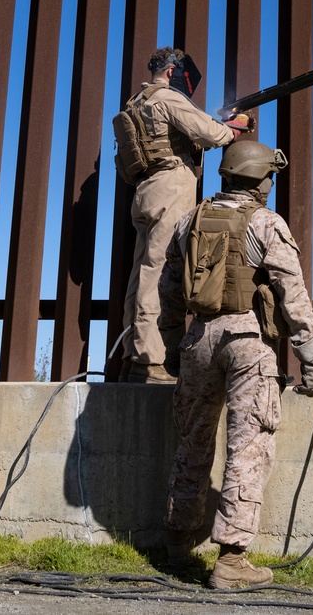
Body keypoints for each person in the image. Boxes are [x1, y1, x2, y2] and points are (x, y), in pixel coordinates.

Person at [159, 139, 313, 590]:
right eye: (269, 175)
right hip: (248, 341)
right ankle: (231, 562)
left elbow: (170, 290)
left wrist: (175, 345)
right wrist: (310, 358)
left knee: (192, 440)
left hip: (199, 338)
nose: (272, 183)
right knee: (248, 447)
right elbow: (292, 292)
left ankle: (177, 544)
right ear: (258, 180)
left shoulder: (188, 221)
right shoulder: (265, 223)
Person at [119, 48, 251, 384]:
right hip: (170, 189)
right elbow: (212, 133)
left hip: (146, 190)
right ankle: (149, 362)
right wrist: (235, 127)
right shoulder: (167, 97)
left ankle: (134, 355)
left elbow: (174, 138)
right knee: (159, 271)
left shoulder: (137, 101)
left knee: (141, 274)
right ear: (172, 70)